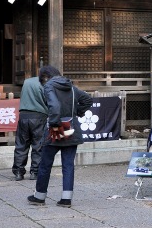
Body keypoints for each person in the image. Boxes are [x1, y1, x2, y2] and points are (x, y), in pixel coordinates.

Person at [27, 65, 92, 208]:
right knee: (68, 165)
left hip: (55, 131)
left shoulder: (49, 86)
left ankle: (39, 197)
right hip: (72, 129)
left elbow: (54, 106)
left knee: (45, 164)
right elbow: (88, 100)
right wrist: (77, 113)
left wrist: (55, 124)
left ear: (45, 77)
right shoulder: (71, 87)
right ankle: (66, 199)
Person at [12, 75, 48, 181]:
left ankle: (18, 172)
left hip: (24, 115)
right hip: (39, 115)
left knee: (21, 144)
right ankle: (35, 172)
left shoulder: (26, 82)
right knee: (38, 145)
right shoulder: (44, 83)